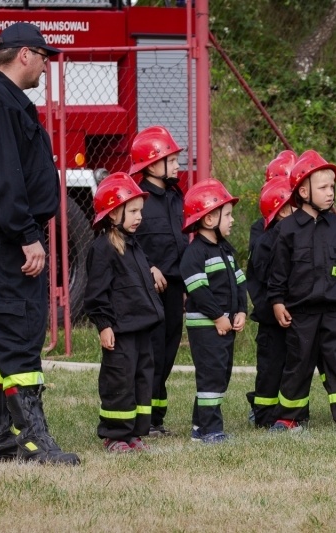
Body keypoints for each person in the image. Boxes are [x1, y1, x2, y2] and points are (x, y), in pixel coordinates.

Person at [0, 22, 79, 464]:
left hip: (1, 235)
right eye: (43, 57)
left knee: (1, 339)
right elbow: (2, 176)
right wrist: (27, 235)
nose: (46, 65)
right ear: (24, 54)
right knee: (21, 333)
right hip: (7, 238)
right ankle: (33, 441)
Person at [267, 150, 336, 431]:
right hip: (301, 313)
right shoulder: (287, 230)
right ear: (303, 191)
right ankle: (289, 416)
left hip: (335, 311)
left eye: (332, 187)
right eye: (323, 187)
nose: (330, 193)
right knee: (298, 365)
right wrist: (277, 301)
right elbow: (278, 272)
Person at [84, 174, 165, 453]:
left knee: (142, 380)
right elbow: (96, 293)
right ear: (112, 213)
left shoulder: (133, 245)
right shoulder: (103, 248)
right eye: (132, 211)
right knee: (119, 381)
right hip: (120, 331)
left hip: (141, 328)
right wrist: (104, 324)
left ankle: (135, 433)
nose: (139, 217)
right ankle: (115, 435)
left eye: (140, 211)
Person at [130, 125, 188, 437]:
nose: (178, 165)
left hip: (175, 286)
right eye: (171, 160)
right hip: (148, 288)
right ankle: (143, 418)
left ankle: (157, 418)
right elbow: (128, 242)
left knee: (167, 351)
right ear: (152, 165)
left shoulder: (176, 197)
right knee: (150, 352)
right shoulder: (138, 199)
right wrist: (149, 268)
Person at [179, 178, 247, 444]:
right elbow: (199, 291)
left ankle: (200, 426)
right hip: (206, 326)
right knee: (211, 375)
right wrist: (219, 317)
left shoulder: (225, 250)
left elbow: (240, 283)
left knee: (220, 374)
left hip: (224, 324)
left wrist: (241, 311)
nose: (232, 220)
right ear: (208, 219)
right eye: (227, 215)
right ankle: (211, 430)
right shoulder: (195, 253)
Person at [245, 171, 296, 428]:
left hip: (291, 314)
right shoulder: (266, 241)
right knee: (270, 368)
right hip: (271, 317)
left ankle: (291, 414)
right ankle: (264, 415)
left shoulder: (290, 234)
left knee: (290, 366)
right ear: (283, 210)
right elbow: (269, 280)